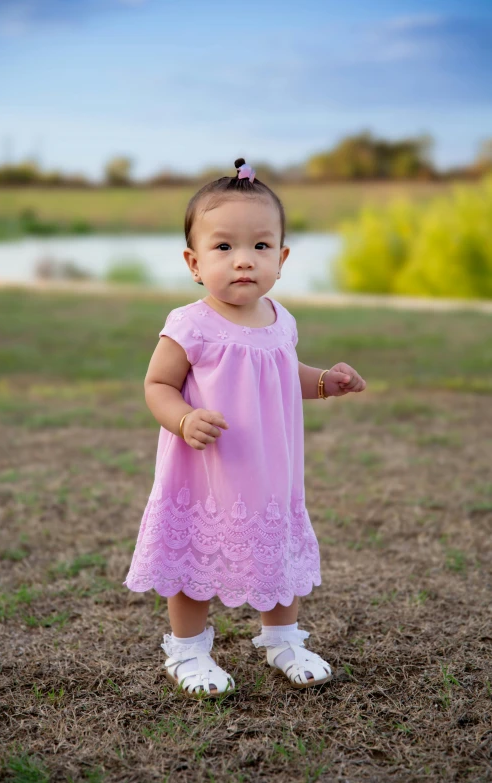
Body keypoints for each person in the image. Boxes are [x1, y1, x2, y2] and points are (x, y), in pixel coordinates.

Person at [123, 158, 366, 698]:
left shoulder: (281, 319)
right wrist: (183, 419)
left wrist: (325, 381)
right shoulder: (191, 324)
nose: (243, 261)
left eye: (260, 247)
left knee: (275, 550)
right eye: (224, 247)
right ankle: (187, 650)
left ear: (281, 258)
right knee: (195, 559)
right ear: (193, 261)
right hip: (206, 471)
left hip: (268, 471)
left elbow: (283, 373)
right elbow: (157, 386)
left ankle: (281, 638)